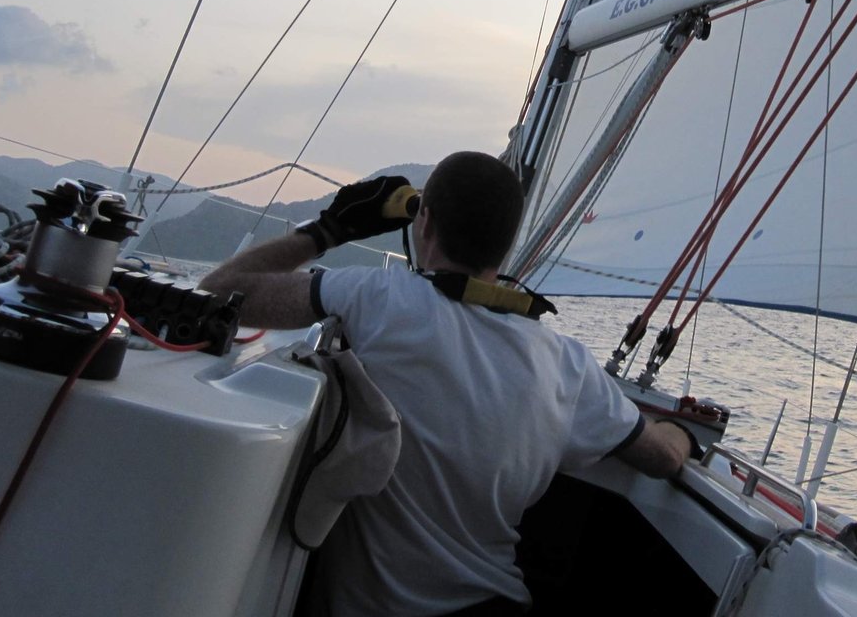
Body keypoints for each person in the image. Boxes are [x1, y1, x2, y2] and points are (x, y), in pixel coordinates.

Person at [200, 152, 691, 616]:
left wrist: (329, 230)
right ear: (507, 244)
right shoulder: (568, 365)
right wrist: (683, 432)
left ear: (426, 222)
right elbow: (663, 458)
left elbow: (220, 292)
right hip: (497, 602)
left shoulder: (378, 298)